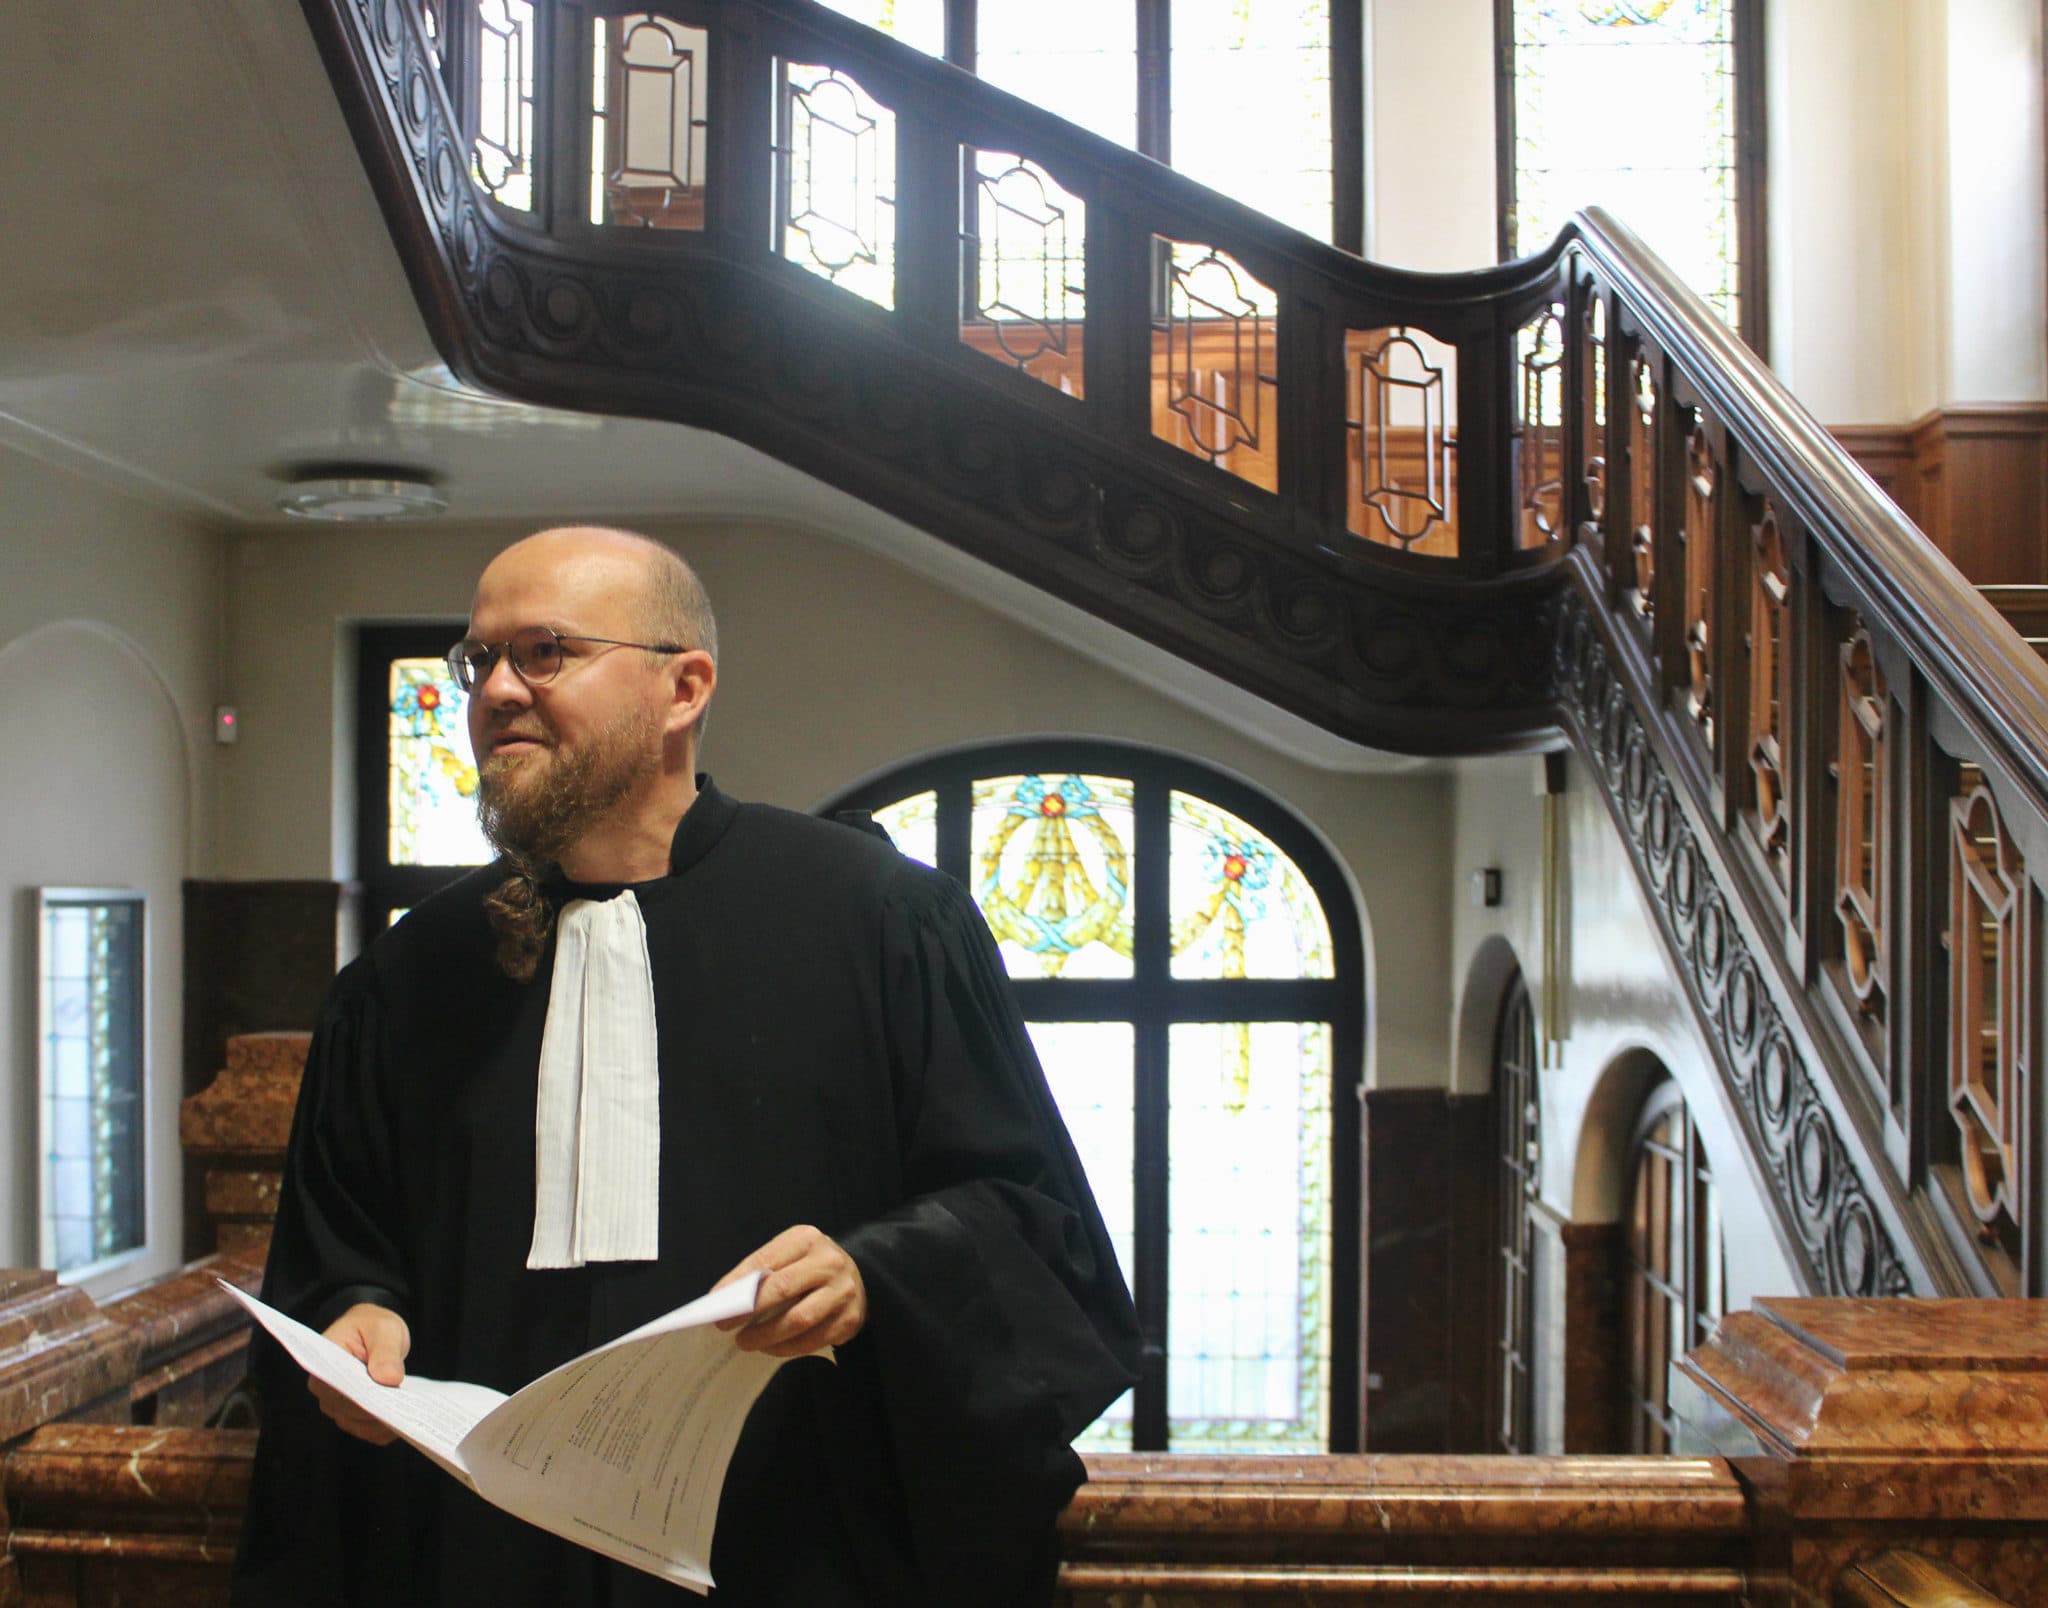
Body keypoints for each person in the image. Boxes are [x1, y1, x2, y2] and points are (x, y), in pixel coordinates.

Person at [232, 526, 1141, 1607]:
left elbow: (1036, 1231)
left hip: (795, 1556)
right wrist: (356, 1318)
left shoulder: (883, 922)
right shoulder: (401, 982)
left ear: (684, 688)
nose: (496, 694)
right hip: (484, 1564)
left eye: (546, 652)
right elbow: (340, 1256)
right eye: (479, 662)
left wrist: (871, 1275)